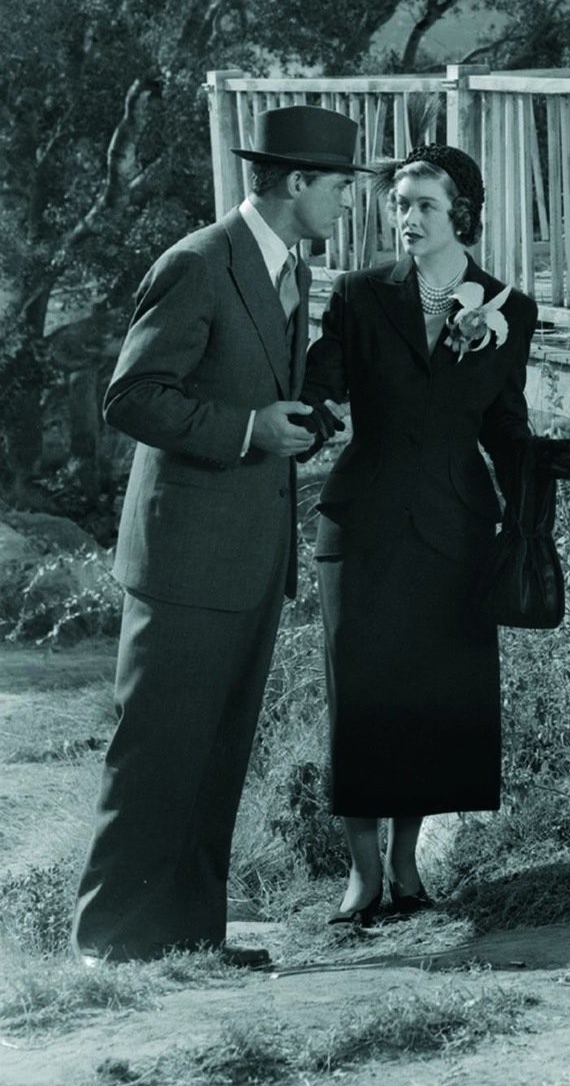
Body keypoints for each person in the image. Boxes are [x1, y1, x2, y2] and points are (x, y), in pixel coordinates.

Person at [74, 104, 363, 968]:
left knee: (215, 754)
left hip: (250, 555)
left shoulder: (291, 268)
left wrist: (302, 419)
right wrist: (247, 430)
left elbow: (258, 381)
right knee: (157, 753)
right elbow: (131, 398)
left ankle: (190, 939)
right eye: (342, 186)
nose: (348, 202)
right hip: (185, 556)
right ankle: (111, 945)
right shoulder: (199, 263)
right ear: (299, 183)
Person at [302, 143, 570, 924]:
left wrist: (535, 459)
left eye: (423, 204)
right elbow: (325, 381)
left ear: (460, 213)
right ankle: (360, 878)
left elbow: (501, 418)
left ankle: (405, 868)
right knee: (361, 699)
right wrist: (297, 418)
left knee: (429, 698)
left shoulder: (506, 307)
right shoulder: (358, 295)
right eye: (399, 204)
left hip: (455, 525)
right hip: (362, 523)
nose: (407, 217)